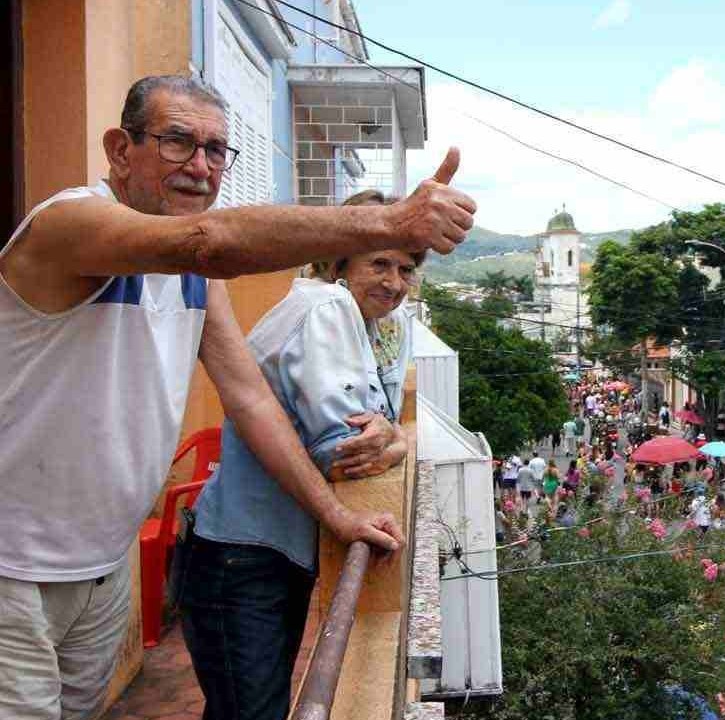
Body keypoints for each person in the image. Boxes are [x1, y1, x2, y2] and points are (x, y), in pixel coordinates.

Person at [0, 74, 473, 720]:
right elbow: (210, 242)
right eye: (177, 142)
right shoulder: (66, 224)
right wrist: (391, 221)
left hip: (102, 568)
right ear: (119, 149)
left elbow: (250, 399)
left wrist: (336, 517)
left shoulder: (192, 277)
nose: (201, 166)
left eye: (217, 150)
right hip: (12, 568)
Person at [180, 187, 423, 718]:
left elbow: (383, 427)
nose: (394, 282)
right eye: (379, 262)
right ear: (340, 260)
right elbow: (344, 453)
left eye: (406, 269)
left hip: (273, 554)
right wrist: (393, 441)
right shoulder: (326, 305)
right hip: (240, 559)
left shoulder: (378, 324)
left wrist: (397, 438)